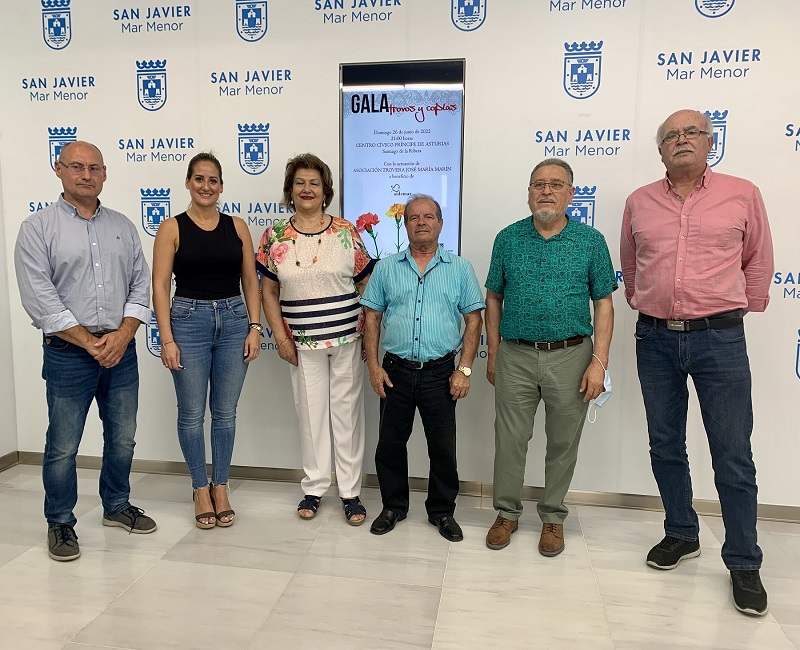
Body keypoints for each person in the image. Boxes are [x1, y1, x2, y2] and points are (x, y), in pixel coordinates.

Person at [620, 109, 774, 616]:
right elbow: (630, 265)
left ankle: (744, 560)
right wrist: (645, 301)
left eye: (692, 132)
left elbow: (758, 259)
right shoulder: (639, 201)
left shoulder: (742, 193)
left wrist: (737, 309)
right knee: (665, 443)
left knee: (732, 452)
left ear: (711, 141)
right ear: (660, 149)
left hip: (719, 340)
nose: (681, 139)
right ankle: (682, 532)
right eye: (671, 135)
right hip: (654, 338)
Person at [14, 141, 157, 562]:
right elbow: (40, 298)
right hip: (67, 353)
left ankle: (116, 505)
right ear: (58, 169)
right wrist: (90, 342)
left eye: (94, 168)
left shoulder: (123, 226)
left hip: (121, 351)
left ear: (105, 174)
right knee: (63, 445)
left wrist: (123, 335)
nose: (86, 175)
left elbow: (141, 285)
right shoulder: (37, 228)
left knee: (123, 438)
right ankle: (60, 521)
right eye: (77, 166)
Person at [484, 158, 616, 557]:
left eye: (556, 184)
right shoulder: (507, 239)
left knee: (562, 442)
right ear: (528, 193)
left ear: (570, 194)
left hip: (571, 356)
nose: (546, 191)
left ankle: (553, 517)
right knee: (510, 440)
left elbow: (604, 304)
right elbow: (493, 296)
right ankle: (506, 513)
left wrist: (599, 362)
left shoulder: (590, 241)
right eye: (539, 184)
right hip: (515, 355)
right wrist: (493, 352)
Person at [257, 153, 375, 525]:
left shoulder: (346, 231)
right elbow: (268, 291)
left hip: (346, 339)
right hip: (301, 344)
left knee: (347, 416)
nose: (307, 189)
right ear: (289, 190)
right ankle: (314, 487)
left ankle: (351, 493)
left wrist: (368, 334)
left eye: (314, 183)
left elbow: (366, 284)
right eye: (300, 183)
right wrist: (280, 337)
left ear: (326, 191)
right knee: (310, 417)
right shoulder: (274, 236)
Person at [362, 193, 484, 542]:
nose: (421, 222)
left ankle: (442, 511)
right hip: (395, 371)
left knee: (442, 447)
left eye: (428, 216)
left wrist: (464, 369)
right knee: (390, 444)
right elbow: (372, 317)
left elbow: (474, 320)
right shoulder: (386, 268)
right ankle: (393, 507)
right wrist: (373, 366)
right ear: (405, 225)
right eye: (414, 217)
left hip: (440, 373)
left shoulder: (459, 268)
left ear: (440, 224)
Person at [152, 152, 261, 529]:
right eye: (199, 179)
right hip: (188, 322)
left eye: (213, 180)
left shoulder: (237, 226)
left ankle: (221, 487)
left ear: (221, 186)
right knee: (191, 413)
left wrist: (255, 327)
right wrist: (167, 338)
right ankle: (200, 488)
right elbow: (160, 286)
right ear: (187, 183)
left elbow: (251, 280)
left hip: (234, 321)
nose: (206, 186)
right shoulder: (171, 228)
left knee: (226, 412)